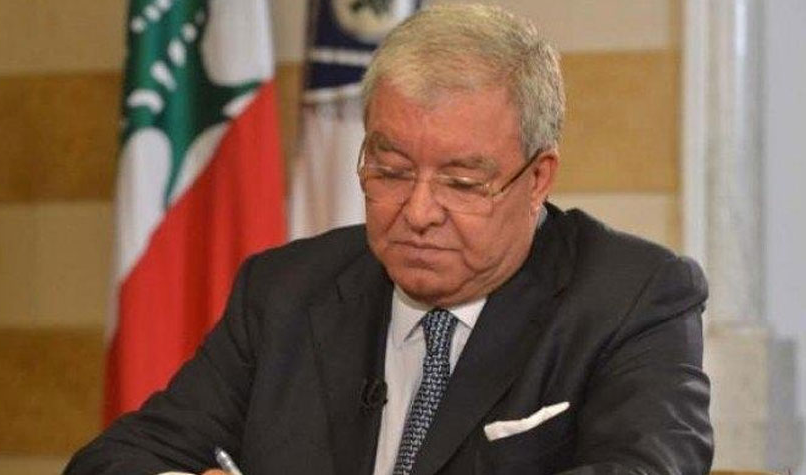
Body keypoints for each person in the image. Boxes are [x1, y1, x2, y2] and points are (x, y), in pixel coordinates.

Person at [65, 4, 713, 474]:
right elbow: (115, 459)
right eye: (392, 171)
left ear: (537, 177)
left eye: (461, 182)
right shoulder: (285, 290)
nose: (418, 211)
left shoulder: (631, 296)